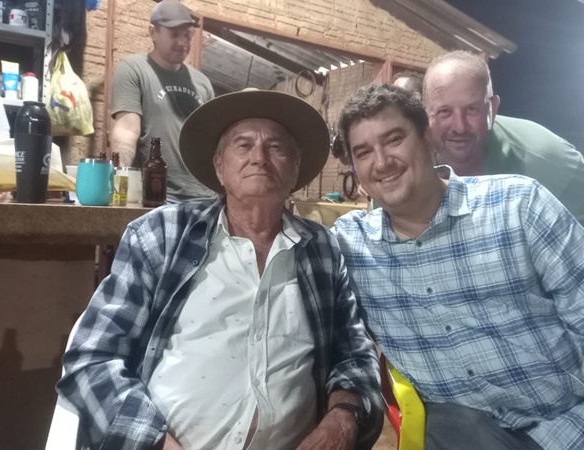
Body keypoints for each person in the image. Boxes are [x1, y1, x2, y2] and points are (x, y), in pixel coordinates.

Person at [332, 84, 584, 450]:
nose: (382, 161)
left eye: (394, 140)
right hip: (465, 433)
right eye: (364, 152)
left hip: (571, 425)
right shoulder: (350, 245)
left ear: (427, 138)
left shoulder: (519, 205)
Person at [58, 89, 382, 450]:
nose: (259, 157)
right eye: (243, 145)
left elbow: (354, 353)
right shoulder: (162, 235)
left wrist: (343, 418)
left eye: (276, 147)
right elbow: (93, 359)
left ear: (295, 169)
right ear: (219, 167)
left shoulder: (321, 249)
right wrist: (154, 442)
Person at [423, 50, 584, 259]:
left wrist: (562, 279)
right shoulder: (406, 160)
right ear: (424, 112)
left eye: (472, 109)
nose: (459, 127)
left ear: (492, 109)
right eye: (444, 111)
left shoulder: (543, 155)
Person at [110, 0, 215, 201]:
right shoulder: (134, 69)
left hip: (203, 195)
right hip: (155, 192)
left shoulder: (202, 82)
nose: (183, 42)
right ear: (153, 32)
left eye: (187, 35)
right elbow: (126, 130)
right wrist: (119, 179)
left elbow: (210, 140)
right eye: (174, 34)